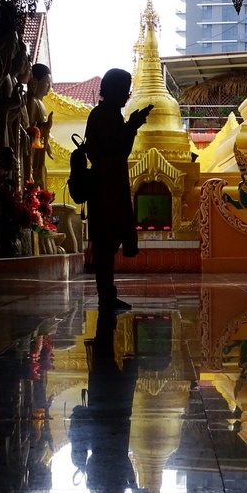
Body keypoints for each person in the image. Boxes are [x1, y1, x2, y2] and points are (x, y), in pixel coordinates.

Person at [84, 68, 152, 311]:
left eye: (127, 90)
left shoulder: (110, 115)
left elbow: (119, 149)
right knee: (106, 242)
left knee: (110, 242)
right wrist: (131, 126)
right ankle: (106, 295)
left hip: (113, 183)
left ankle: (108, 294)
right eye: (123, 90)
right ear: (112, 90)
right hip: (105, 186)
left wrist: (130, 126)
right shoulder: (102, 115)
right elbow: (112, 150)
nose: (126, 95)